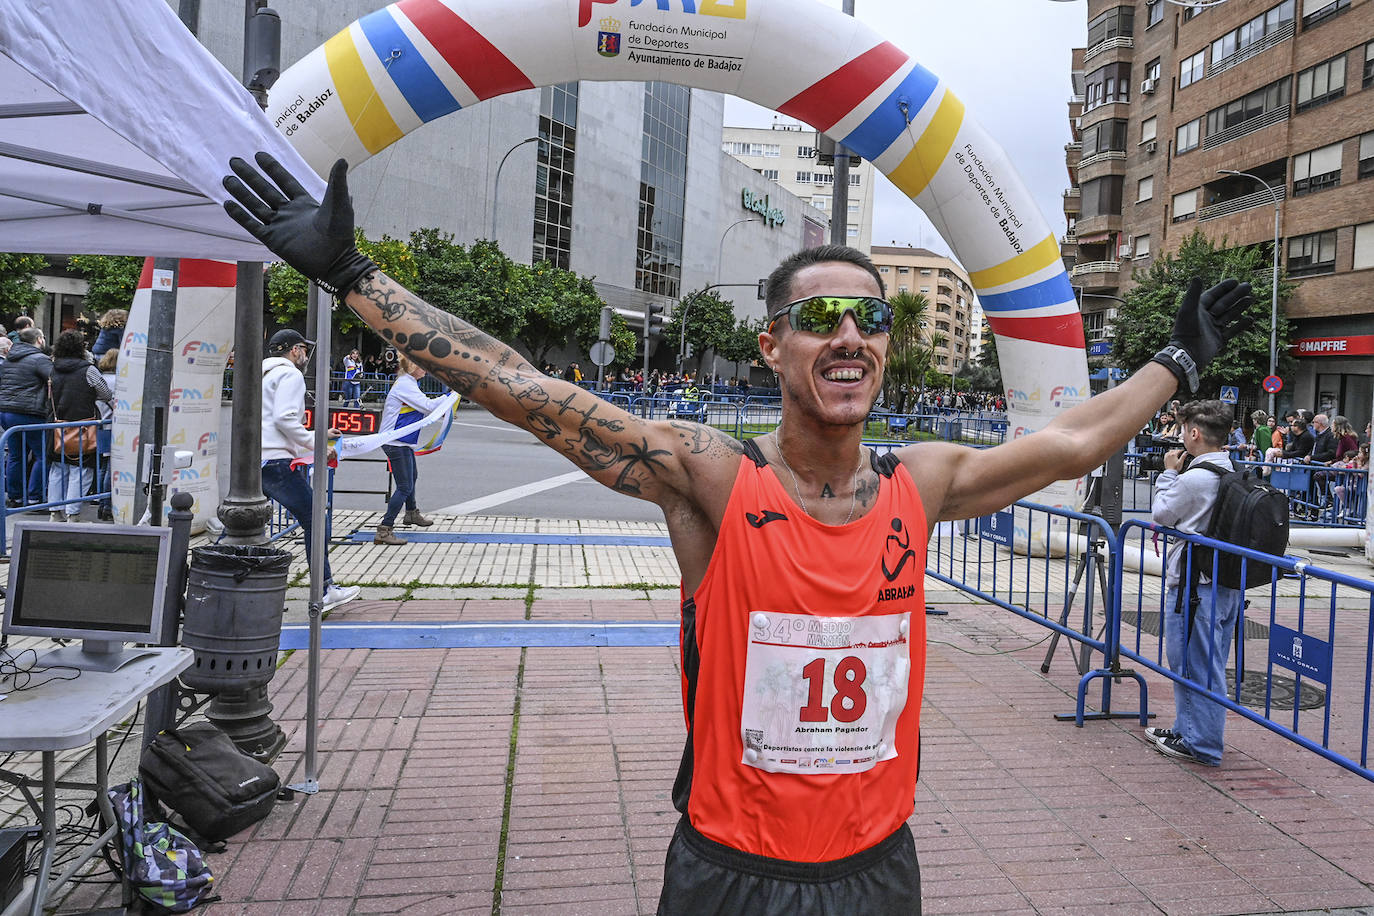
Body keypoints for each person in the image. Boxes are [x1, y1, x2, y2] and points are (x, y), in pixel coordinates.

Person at [223, 153, 1255, 914]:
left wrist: (1176, 360)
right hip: (731, 876)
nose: (850, 334)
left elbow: (1074, 440)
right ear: (773, 345)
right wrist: (354, 275)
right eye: (823, 317)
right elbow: (523, 385)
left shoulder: (923, 481)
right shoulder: (711, 475)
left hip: (875, 871)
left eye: (871, 319)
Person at [1146, 400, 1244, 767]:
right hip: (1224, 583)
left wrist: (1169, 473)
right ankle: (1186, 729)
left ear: (1194, 433)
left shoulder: (1194, 478)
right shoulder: (1233, 472)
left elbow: (1161, 514)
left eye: (1182, 429)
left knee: (1194, 664)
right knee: (1207, 662)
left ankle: (1201, 743)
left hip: (1194, 587)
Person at [261, 328, 360, 611]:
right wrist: (318, 445)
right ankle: (325, 589)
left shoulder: (262, 373)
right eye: (303, 350)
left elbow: (274, 419)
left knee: (244, 522)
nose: (305, 356)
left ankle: (212, 584)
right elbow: (284, 419)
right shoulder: (290, 374)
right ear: (295, 350)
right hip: (276, 461)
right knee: (316, 519)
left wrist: (316, 436)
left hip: (256, 460)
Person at [373, 354, 443, 545]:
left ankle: (411, 513)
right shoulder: (406, 384)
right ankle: (384, 529)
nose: (425, 369)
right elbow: (428, 406)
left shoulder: (409, 382)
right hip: (395, 442)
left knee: (411, 478)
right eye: (422, 365)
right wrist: (450, 397)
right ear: (412, 367)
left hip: (400, 441)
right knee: (405, 486)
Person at [46, 329, 112, 522]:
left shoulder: (53, 368)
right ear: (81, 348)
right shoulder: (88, 370)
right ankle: (72, 514)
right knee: (80, 471)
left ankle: (54, 512)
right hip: (83, 427)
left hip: (57, 425)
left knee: (57, 470)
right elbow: (106, 394)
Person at [0, 327, 51, 507]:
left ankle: (16, 497)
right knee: (43, 454)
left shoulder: (9, 359)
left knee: (16, 454)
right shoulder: (40, 359)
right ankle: (35, 497)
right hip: (28, 411)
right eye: (43, 337)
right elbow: (54, 380)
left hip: (6, 411)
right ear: (38, 339)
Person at [95, 349, 118, 521]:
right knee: (111, 467)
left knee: (104, 466)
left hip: (101, 425)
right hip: (114, 427)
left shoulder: (99, 379)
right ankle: (107, 504)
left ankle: (102, 503)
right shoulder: (119, 381)